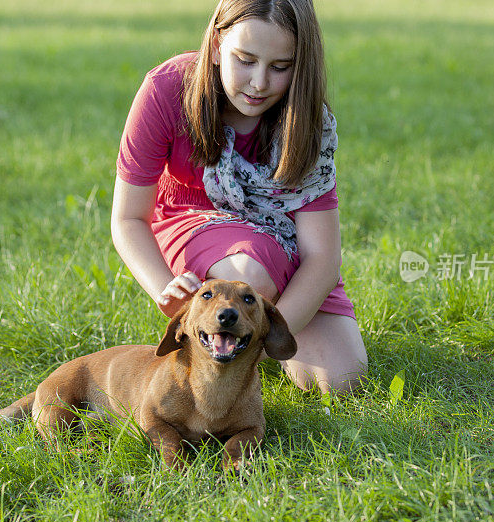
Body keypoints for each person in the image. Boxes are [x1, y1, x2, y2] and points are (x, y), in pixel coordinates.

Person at [111, 0, 367, 393]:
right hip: (195, 218)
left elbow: (321, 257)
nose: (259, 82)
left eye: (280, 67)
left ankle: (246, 332)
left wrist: (270, 339)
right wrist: (170, 292)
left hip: (279, 235)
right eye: (245, 60)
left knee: (340, 380)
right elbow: (128, 219)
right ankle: (232, 328)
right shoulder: (167, 89)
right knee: (248, 275)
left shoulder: (309, 123)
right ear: (216, 45)